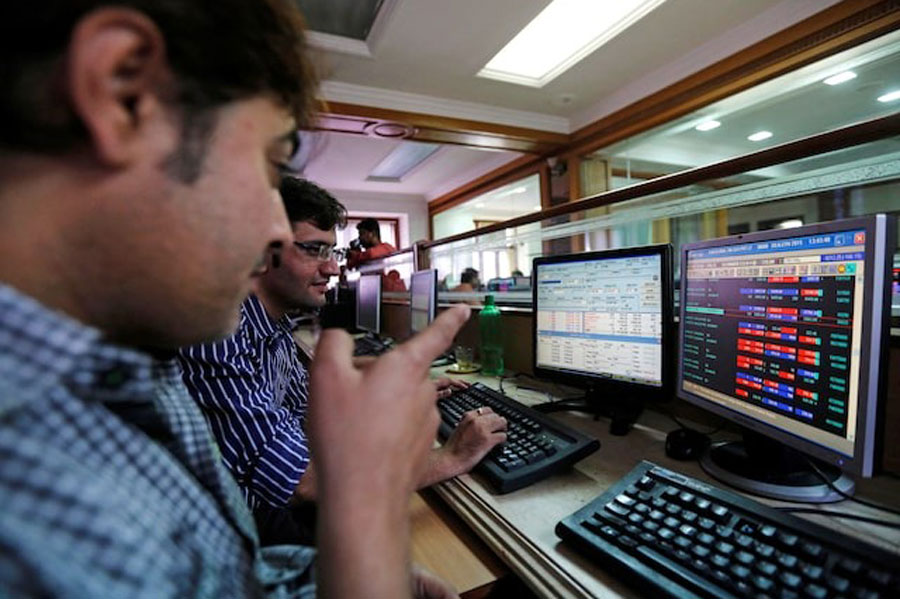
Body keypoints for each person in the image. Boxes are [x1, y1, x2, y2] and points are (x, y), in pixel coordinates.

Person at [0, 2, 469, 598]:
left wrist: (326, 580)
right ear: (120, 93)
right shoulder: (23, 513)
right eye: (269, 169)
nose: (276, 234)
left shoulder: (138, 358)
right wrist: (370, 511)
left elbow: (225, 576)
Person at [179, 177, 506, 546]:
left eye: (331, 252)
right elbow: (305, 481)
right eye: (314, 250)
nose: (333, 269)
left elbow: (307, 410)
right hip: (244, 532)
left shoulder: (272, 324)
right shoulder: (217, 334)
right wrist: (449, 457)